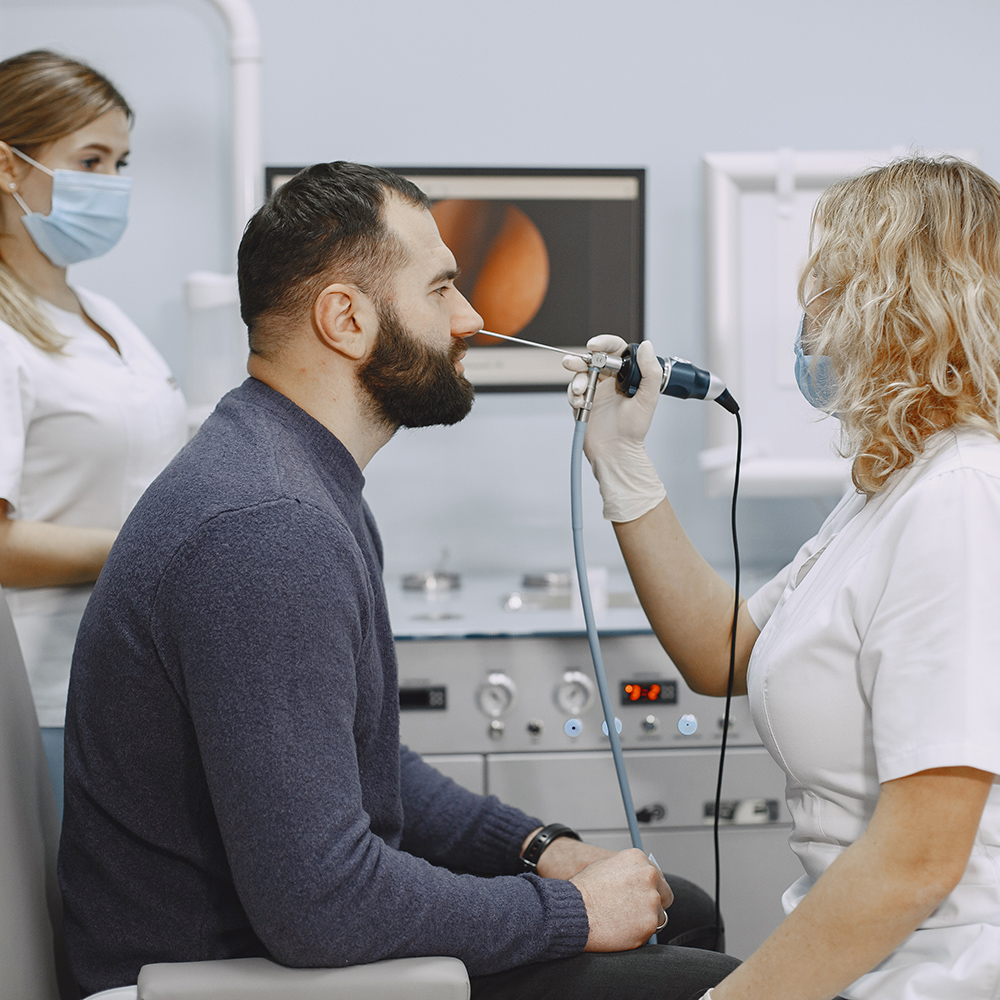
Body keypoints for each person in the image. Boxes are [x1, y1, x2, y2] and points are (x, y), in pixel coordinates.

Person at [58, 161, 739, 999]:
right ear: (346, 319)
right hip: (212, 977)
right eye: (442, 289)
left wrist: (539, 850)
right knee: (718, 983)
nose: (472, 317)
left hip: (274, 942)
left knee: (682, 912)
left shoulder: (296, 475)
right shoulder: (270, 527)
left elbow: (361, 766)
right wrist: (569, 912)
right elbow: (322, 906)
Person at [564, 156, 1000, 1000]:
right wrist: (621, 461)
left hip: (946, 975)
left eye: (829, 287)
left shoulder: (960, 500)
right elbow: (724, 652)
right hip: (868, 968)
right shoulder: (892, 490)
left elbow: (918, 859)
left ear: (896, 307)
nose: (810, 321)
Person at [0, 49, 187, 811]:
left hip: (128, 680)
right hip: (42, 692)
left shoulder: (103, 318)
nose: (111, 183)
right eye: (90, 161)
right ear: (8, 167)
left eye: (120, 163)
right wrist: (158, 552)